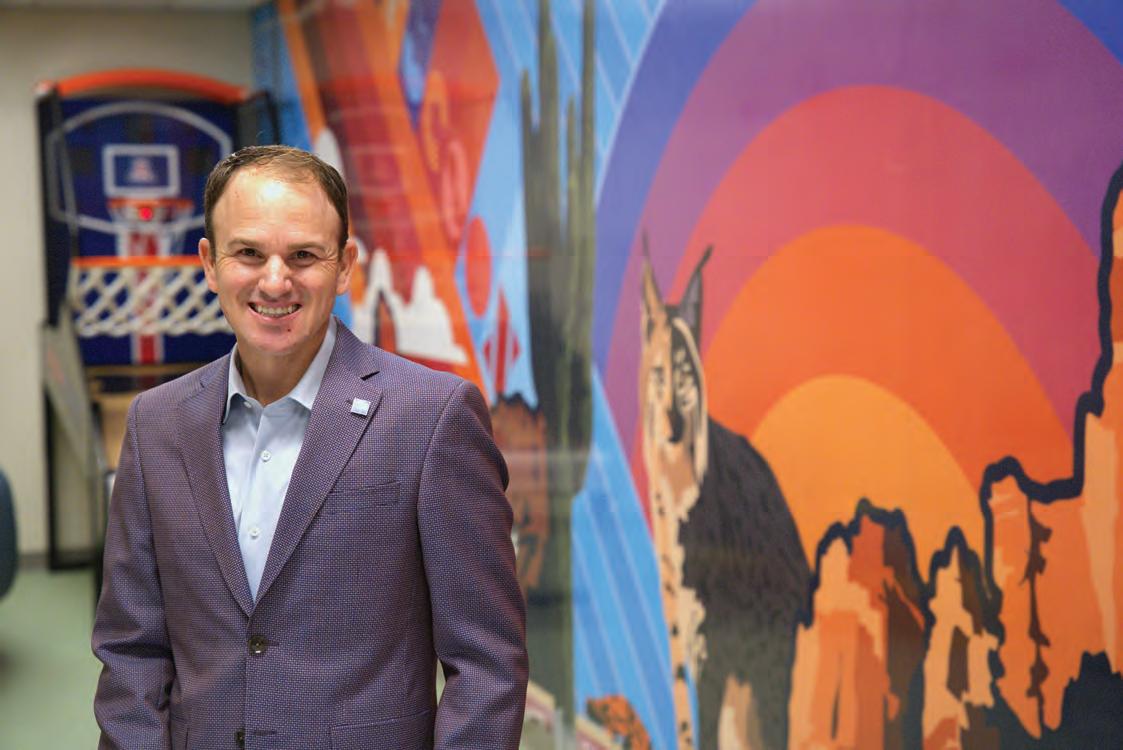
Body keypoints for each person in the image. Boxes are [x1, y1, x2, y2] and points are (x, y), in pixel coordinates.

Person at [92, 145, 528, 749]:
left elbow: (487, 665)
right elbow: (131, 651)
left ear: (344, 266)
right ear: (210, 264)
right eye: (248, 253)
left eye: (303, 255)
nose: (275, 281)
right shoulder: (156, 424)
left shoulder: (432, 418)